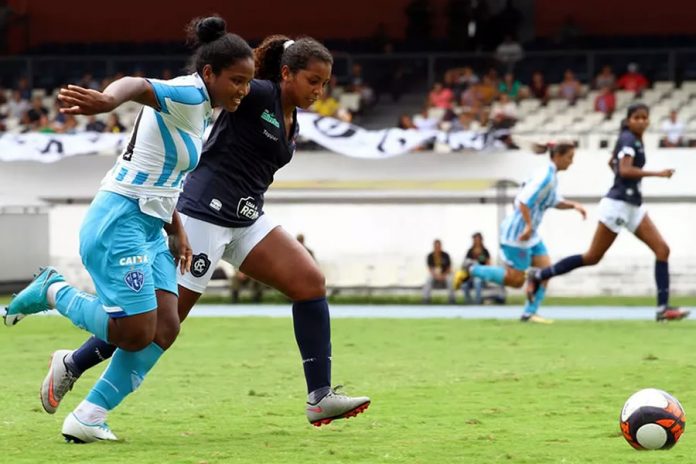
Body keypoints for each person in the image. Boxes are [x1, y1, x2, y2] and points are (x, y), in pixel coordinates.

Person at [35, 32, 370, 434]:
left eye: (324, 84)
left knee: (310, 282)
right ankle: (84, 397)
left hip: (246, 218)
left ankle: (320, 398)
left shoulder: (290, 113)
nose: (319, 91)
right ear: (286, 74)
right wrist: (111, 100)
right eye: (313, 81)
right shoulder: (257, 93)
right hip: (203, 215)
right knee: (161, 325)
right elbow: (173, 89)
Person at [4, 16, 256, 443]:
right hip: (118, 219)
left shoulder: (206, 112)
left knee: (166, 327)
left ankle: (87, 417)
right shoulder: (190, 94)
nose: (243, 90)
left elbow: (166, 175)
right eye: (237, 80)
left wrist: (177, 229)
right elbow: (136, 84)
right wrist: (106, 100)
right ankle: (52, 290)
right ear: (210, 73)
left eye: (249, 82)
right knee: (136, 332)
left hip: (150, 225)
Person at [527, 103, 690, 322]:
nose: (641, 121)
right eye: (637, 117)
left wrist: (624, 178)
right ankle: (539, 275)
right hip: (618, 205)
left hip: (633, 205)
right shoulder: (628, 139)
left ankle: (663, 309)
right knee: (592, 257)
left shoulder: (633, 140)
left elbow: (612, 162)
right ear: (629, 120)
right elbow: (623, 169)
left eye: (645, 117)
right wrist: (657, 174)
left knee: (662, 250)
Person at [454, 142, 587, 323]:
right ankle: (471, 269)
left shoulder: (551, 177)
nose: (571, 162)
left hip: (530, 235)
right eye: (569, 158)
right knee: (516, 281)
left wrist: (574, 205)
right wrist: (527, 226)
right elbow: (523, 201)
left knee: (546, 271)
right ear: (558, 156)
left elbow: (554, 201)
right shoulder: (545, 178)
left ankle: (529, 313)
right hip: (517, 235)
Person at [423, 239, 456, 304]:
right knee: (428, 279)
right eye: (436, 246)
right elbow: (430, 268)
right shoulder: (430, 256)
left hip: (444, 274)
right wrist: (436, 276)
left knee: (450, 279)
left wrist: (443, 275)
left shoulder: (445, 255)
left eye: (439, 246)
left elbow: (449, 268)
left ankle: (452, 299)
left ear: (441, 246)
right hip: (434, 275)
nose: (437, 248)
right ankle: (426, 299)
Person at [462, 232, 491, 304]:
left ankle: (477, 303)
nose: (476, 241)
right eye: (475, 239)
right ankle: (469, 303)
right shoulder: (470, 251)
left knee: (477, 281)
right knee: (464, 285)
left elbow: (488, 264)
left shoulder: (485, 251)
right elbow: (465, 264)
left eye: (478, 239)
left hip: (481, 276)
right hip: (471, 275)